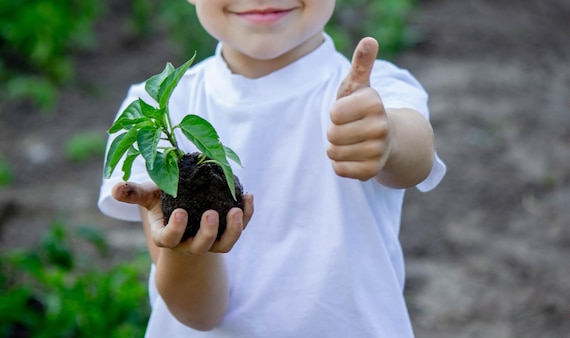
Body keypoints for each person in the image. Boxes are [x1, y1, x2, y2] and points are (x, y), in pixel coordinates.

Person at [98, 0, 446, 337]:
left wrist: (387, 140)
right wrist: (185, 247)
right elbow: (200, 314)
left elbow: (415, 157)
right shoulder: (159, 112)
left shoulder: (373, 93)